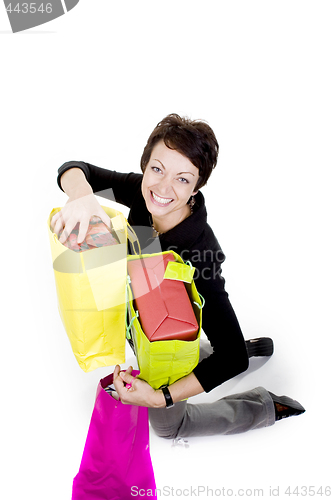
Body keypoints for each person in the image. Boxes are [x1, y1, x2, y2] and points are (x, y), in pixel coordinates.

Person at [51, 114, 305, 438]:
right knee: (210, 349)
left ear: (196, 186)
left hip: (172, 340)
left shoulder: (201, 253)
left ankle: (264, 406)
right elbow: (74, 168)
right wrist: (82, 196)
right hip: (143, 323)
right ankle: (218, 350)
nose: (163, 188)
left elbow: (233, 358)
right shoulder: (144, 197)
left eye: (182, 179)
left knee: (170, 428)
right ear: (146, 165)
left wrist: (160, 397)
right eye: (157, 169)